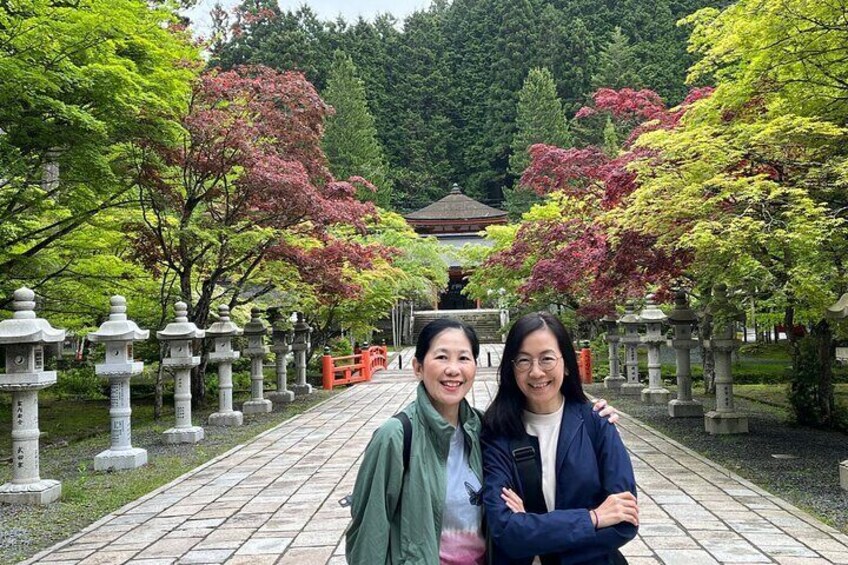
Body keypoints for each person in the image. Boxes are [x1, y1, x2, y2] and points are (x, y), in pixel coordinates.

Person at [346, 318, 620, 565]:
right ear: (418, 367)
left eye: (464, 358)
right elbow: (369, 534)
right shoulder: (396, 436)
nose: (453, 370)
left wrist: (591, 415)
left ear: (475, 366)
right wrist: (590, 519)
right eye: (441, 357)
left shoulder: (484, 429)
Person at [481, 312, 638, 565]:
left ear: (566, 364)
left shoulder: (597, 422)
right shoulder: (498, 431)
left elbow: (624, 521)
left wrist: (535, 535)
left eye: (547, 359)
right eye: (523, 360)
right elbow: (506, 531)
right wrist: (593, 518)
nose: (536, 372)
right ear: (511, 368)